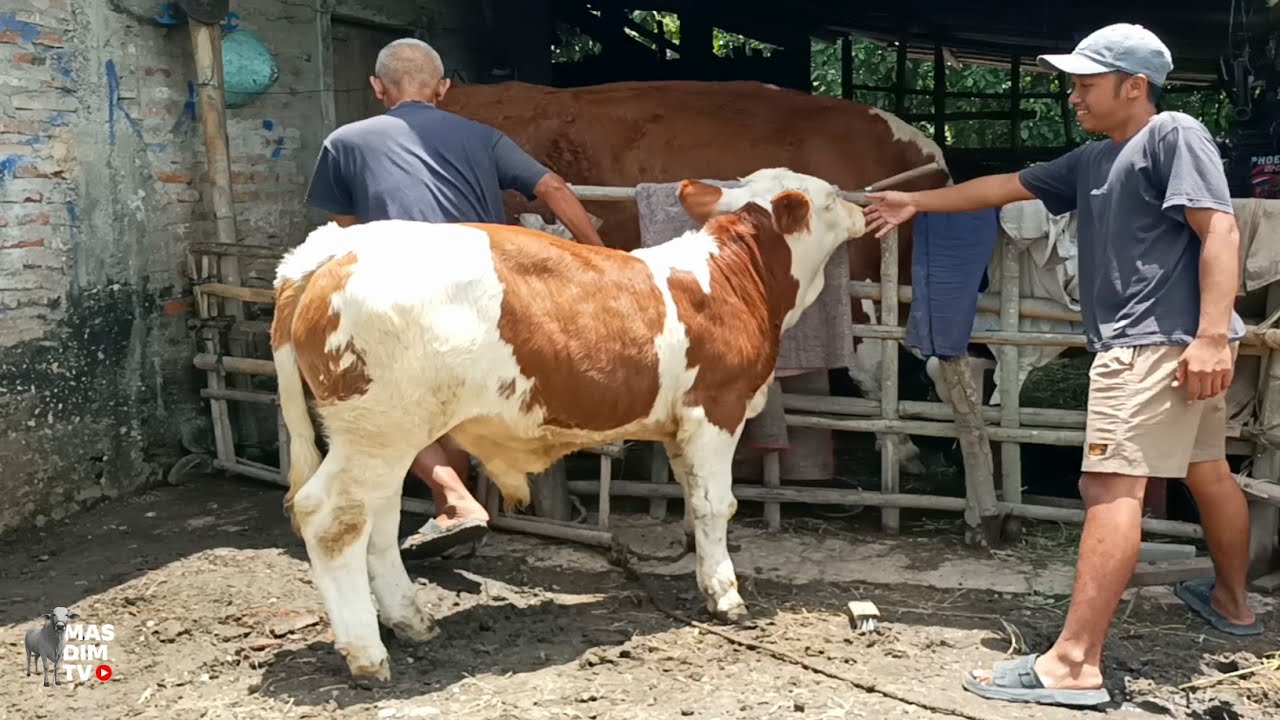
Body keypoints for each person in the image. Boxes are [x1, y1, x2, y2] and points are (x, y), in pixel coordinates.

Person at [864, 23, 1262, 709]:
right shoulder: (1092, 161)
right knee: (1209, 470)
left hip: (1151, 345)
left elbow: (1218, 227)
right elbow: (1000, 188)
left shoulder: (1173, 135)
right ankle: (1233, 602)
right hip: (1169, 345)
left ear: (1133, 87)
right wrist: (915, 201)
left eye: (1086, 82)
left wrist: (1210, 337)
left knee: (1109, 487)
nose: (1073, 95)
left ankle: (1074, 665)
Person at [304, 38, 605, 559]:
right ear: (444, 88)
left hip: (403, 288)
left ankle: (452, 500)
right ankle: (453, 516)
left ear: (377, 87)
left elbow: (346, 229)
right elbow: (553, 187)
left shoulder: (344, 142)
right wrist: (602, 258)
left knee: (366, 396)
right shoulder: (483, 135)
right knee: (454, 405)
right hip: (484, 293)